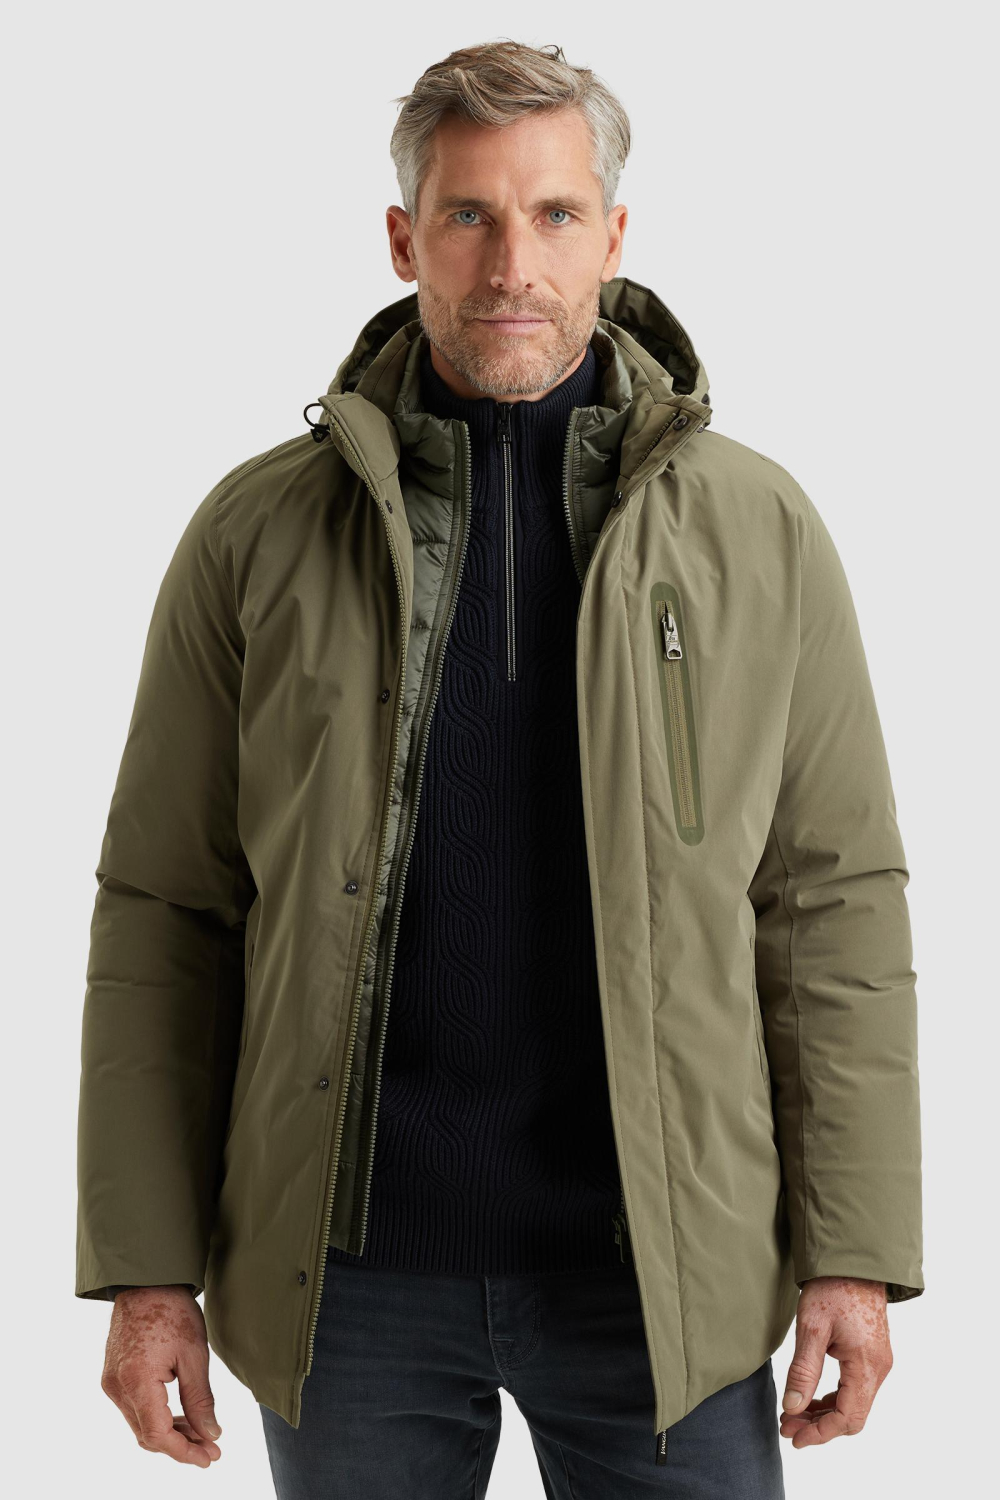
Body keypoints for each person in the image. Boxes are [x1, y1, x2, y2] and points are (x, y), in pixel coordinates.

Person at [76, 38, 923, 1500]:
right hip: (347, 1282)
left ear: (614, 234)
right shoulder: (257, 535)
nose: (512, 263)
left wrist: (853, 1250)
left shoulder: (759, 530)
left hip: (669, 1273)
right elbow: (166, 909)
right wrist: (147, 1270)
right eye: (467, 214)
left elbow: (830, 904)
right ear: (404, 238)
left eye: (554, 214)